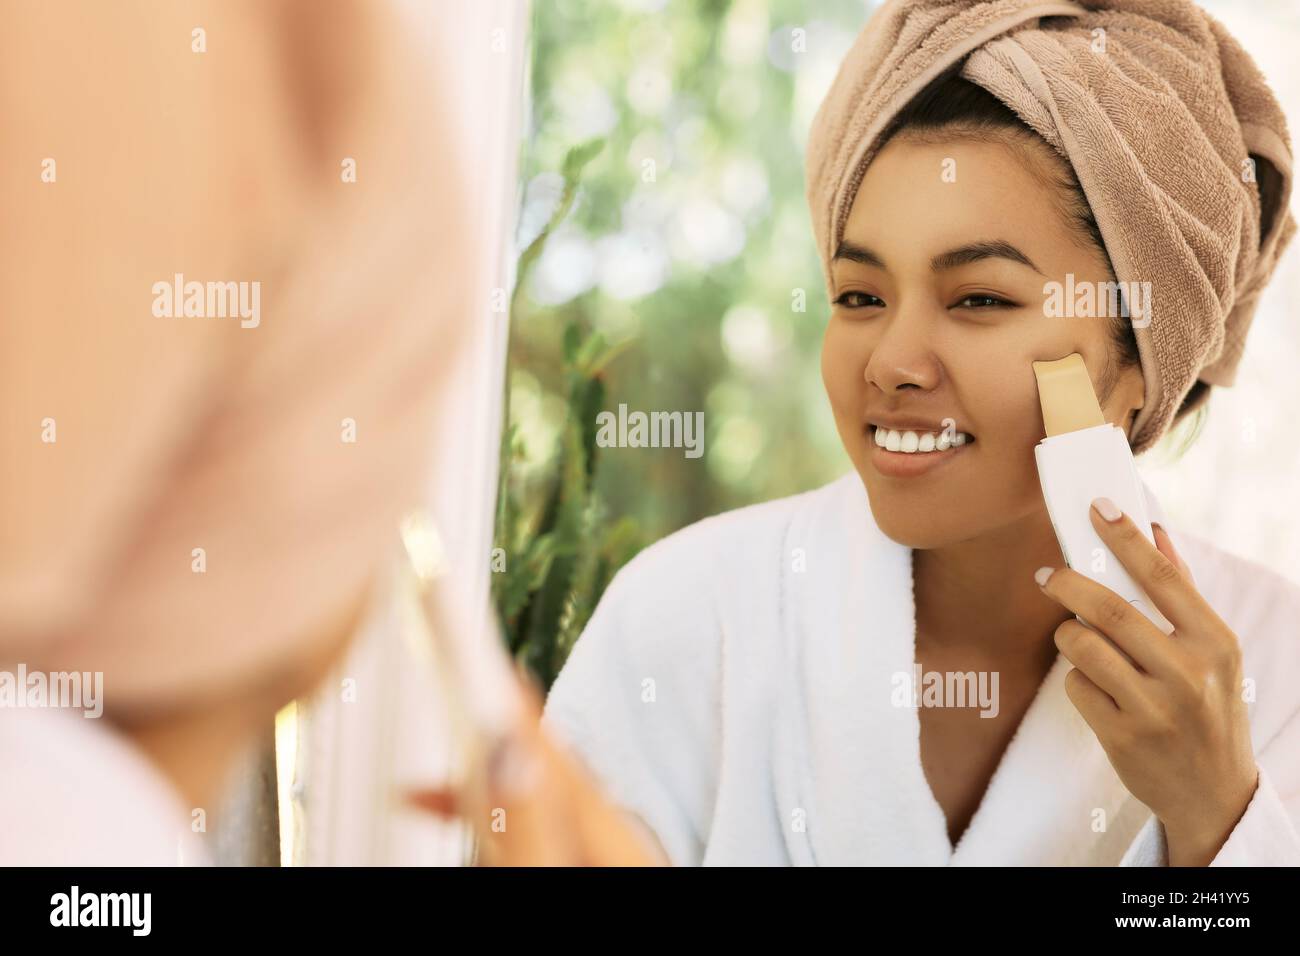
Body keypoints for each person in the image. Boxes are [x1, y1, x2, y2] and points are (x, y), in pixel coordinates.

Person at [539, 0, 1300, 865]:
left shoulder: (1278, 668)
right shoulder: (688, 616)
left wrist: (1218, 821)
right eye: (860, 297)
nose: (892, 361)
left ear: (1137, 365)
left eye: (980, 298)